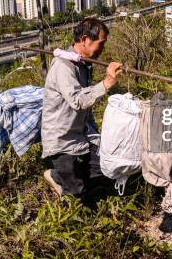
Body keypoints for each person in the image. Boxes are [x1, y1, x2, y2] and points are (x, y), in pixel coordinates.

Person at [41, 18, 123, 201]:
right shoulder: (63, 66)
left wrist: (95, 131)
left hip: (81, 133)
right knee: (76, 194)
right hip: (62, 138)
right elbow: (78, 100)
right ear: (85, 39)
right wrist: (107, 83)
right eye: (100, 44)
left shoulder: (84, 65)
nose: (102, 49)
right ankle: (56, 176)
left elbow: (86, 105)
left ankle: (73, 178)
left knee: (107, 168)